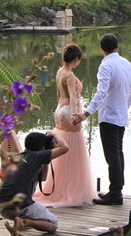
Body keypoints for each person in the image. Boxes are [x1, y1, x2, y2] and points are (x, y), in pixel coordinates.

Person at [73, 33, 131, 205]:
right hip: (121, 116)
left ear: (101, 48)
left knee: (112, 155)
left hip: (109, 116)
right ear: (117, 47)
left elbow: (101, 92)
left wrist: (86, 113)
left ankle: (116, 193)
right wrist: (125, 106)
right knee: (118, 153)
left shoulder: (106, 66)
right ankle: (116, 189)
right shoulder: (126, 63)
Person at [33, 43, 95, 207]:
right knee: (73, 149)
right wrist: (75, 115)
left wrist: (61, 111)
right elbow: (73, 97)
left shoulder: (59, 72)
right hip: (68, 111)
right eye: (79, 60)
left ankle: (58, 186)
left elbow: (58, 94)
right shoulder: (70, 75)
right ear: (75, 59)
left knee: (61, 145)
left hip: (59, 110)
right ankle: (70, 188)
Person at [0, 131, 69, 236]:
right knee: (53, 225)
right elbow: (65, 148)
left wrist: (46, 159)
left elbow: (43, 177)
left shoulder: (17, 157)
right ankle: (25, 221)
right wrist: (55, 134)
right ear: (42, 147)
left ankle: (20, 220)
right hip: (20, 206)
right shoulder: (37, 156)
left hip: (1, 206)